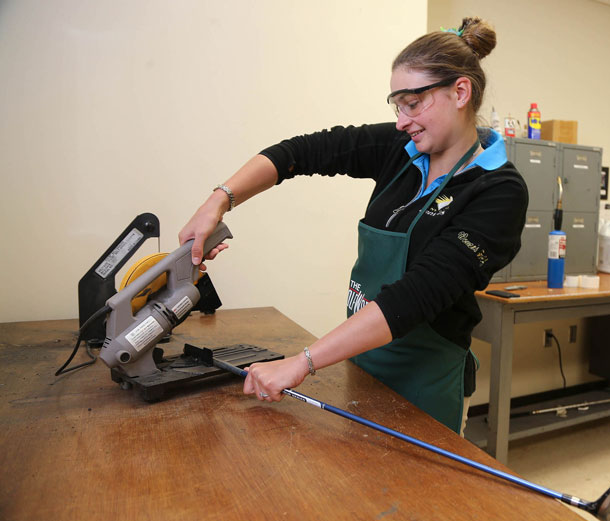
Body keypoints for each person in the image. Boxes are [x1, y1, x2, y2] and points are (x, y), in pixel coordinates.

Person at [179, 17, 528, 434]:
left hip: (426, 380)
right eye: (396, 105)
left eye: (413, 104)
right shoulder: (401, 151)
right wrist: (219, 201)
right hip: (361, 363)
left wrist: (302, 363)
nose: (402, 121)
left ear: (460, 91)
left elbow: (412, 299)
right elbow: (301, 152)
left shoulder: (498, 191)